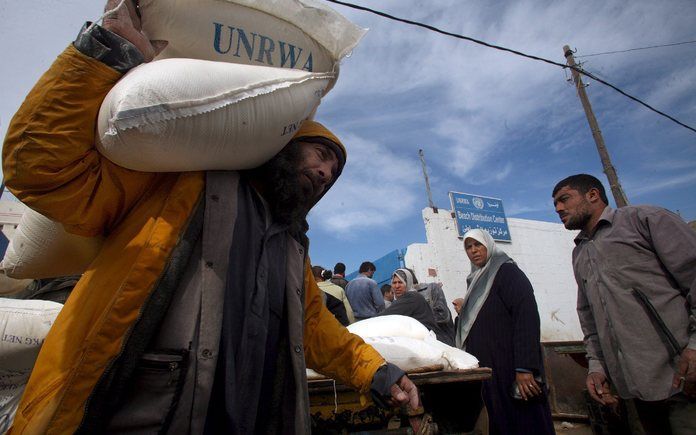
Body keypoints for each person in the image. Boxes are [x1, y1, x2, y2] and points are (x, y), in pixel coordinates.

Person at [1, 2, 419, 432]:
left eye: (334, 173)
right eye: (322, 154)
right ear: (284, 141)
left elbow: (314, 329)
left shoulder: (292, 244)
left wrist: (377, 371)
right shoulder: (174, 183)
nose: (325, 173)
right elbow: (41, 169)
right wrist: (105, 52)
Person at [552, 174, 696, 434]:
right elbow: (589, 316)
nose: (559, 209)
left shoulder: (644, 220)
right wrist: (596, 367)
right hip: (632, 390)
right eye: (555, 205)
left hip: (681, 380)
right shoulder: (580, 252)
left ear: (593, 195)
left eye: (564, 199)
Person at [456, 229, 555, 435]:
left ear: (489, 245)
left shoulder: (507, 272)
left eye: (478, 245)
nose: (473, 251)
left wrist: (525, 368)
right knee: (501, 421)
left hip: (512, 366)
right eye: (468, 247)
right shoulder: (475, 281)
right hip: (491, 369)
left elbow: (526, 317)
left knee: (525, 420)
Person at [378, 269, 454, 346]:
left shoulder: (413, 296)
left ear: (409, 282)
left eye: (401, 282)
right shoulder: (399, 301)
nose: (397, 286)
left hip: (439, 342)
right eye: (394, 283)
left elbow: (442, 315)